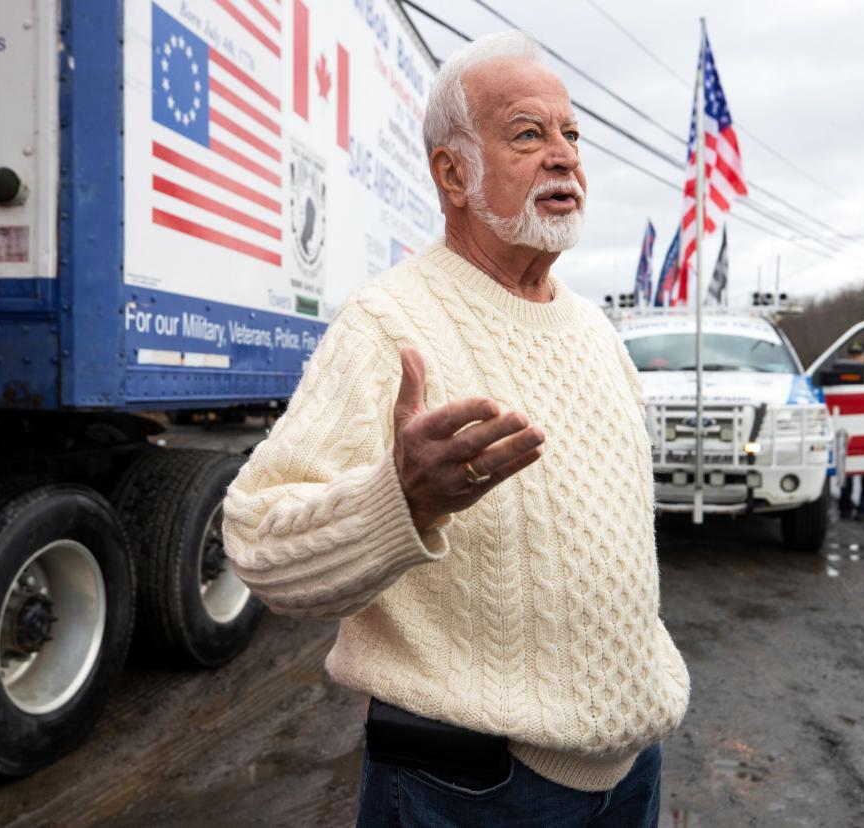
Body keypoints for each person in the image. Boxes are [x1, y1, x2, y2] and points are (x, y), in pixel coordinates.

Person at [222, 30, 689, 827]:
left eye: (571, 135)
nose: (565, 157)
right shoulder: (388, 323)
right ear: (453, 173)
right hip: (468, 791)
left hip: (633, 771)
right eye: (528, 135)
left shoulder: (600, 336)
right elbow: (259, 546)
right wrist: (401, 499)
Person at [839, 341, 864, 519]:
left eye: (858, 355)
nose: (855, 359)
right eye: (852, 355)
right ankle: (845, 507)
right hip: (849, 429)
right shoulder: (841, 376)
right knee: (846, 471)